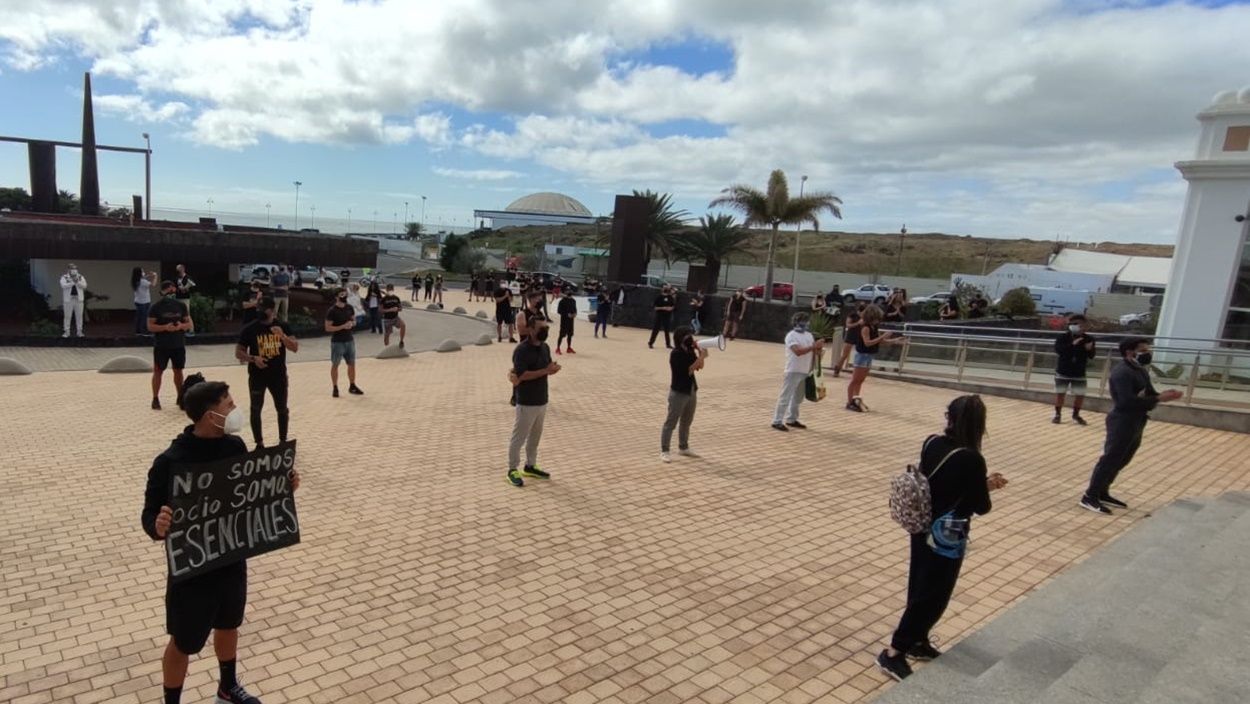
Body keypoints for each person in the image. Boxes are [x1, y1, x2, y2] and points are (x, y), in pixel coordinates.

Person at [142, 378, 301, 704]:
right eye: (228, 405)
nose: (234, 410)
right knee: (183, 642)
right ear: (207, 415)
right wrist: (159, 525)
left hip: (231, 558)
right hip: (192, 569)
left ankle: (227, 687)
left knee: (229, 624)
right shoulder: (169, 462)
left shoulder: (235, 447)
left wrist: (282, 488)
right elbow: (148, 518)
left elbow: (250, 496)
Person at [877, 395, 1008, 681]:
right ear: (979, 425)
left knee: (920, 586)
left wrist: (977, 485)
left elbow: (936, 484)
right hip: (946, 535)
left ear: (949, 417)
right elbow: (980, 506)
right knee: (933, 594)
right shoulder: (972, 459)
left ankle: (917, 640)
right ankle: (894, 652)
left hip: (921, 524)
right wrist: (987, 487)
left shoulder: (932, 442)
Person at [1079, 338, 1183, 515]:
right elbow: (1125, 402)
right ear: (1129, 351)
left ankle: (1103, 491)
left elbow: (1149, 393)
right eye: (1143, 350)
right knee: (1110, 458)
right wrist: (1158, 399)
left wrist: (1165, 395)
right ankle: (1090, 496)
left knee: (1124, 458)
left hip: (1137, 419)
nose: (1147, 353)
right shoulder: (1122, 372)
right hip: (1122, 420)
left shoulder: (1140, 370)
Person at [235, 298, 298, 447]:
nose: (260, 311)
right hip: (257, 375)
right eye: (259, 308)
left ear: (272, 310)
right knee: (256, 408)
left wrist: (282, 336)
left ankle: (283, 440)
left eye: (264, 309)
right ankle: (259, 443)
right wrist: (252, 358)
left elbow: (295, 347)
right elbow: (238, 352)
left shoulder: (282, 326)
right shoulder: (249, 329)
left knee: (282, 408)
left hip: (278, 375)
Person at [506, 319, 559, 487]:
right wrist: (545, 370)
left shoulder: (545, 347)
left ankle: (530, 465)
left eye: (546, 327)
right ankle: (512, 469)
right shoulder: (521, 350)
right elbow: (521, 375)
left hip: (542, 399)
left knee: (535, 436)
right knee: (519, 437)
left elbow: (547, 366)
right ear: (530, 329)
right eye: (540, 328)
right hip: (527, 400)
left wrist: (553, 368)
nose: (544, 330)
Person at [661, 326, 707, 462]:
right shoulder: (676, 354)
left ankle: (683, 447)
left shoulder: (689, 351)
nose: (691, 338)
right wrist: (701, 356)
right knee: (671, 422)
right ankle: (665, 450)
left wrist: (701, 355)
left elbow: (699, 367)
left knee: (687, 420)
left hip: (691, 389)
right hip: (679, 391)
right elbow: (688, 370)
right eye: (688, 336)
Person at [846, 304, 903, 412]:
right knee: (855, 380)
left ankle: (856, 399)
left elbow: (880, 341)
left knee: (860, 380)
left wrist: (895, 341)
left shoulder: (874, 327)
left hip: (869, 355)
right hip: (862, 355)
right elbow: (867, 343)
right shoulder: (866, 327)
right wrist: (882, 336)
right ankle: (849, 401)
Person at [771, 312, 822, 431]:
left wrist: (815, 360)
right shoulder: (791, 336)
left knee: (798, 397)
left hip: (805, 370)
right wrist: (813, 347)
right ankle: (777, 420)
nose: (806, 323)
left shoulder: (809, 335)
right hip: (793, 370)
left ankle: (792, 418)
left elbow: (814, 352)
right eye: (803, 321)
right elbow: (798, 351)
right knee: (786, 396)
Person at [148, 281, 193, 410]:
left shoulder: (181, 306)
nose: (172, 292)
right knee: (158, 371)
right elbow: (150, 326)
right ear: (163, 291)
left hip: (178, 344)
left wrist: (181, 326)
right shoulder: (156, 307)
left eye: (173, 289)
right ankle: (155, 398)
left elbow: (189, 324)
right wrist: (165, 327)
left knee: (178, 371)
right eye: (169, 290)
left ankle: (180, 397)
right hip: (161, 345)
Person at [1053, 314, 1096, 425]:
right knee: (1060, 393)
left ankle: (1076, 414)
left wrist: (1089, 349)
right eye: (1074, 324)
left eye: (1079, 324)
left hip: (1079, 371)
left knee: (1080, 394)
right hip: (1063, 370)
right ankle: (1057, 414)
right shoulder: (1063, 337)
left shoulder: (1089, 339)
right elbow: (1059, 351)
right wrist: (1072, 344)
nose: (1077, 326)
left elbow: (1092, 356)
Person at [325, 289, 364, 398]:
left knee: (351, 364)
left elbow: (354, 319)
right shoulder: (332, 311)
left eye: (345, 294)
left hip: (349, 340)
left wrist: (352, 323)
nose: (344, 296)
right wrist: (342, 326)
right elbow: (327, 327)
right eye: (342, 294)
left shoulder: (349, 308)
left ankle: (352, 385)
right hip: (337, 342)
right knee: (335, 364)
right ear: (336, 297)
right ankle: (335, 387)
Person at [834, 302, 865, 377]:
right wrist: (858, 323)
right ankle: (837, 369)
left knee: (861, 354)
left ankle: (858, 372)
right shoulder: (852, 315)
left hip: (860, 336)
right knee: (845, 354)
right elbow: (848, 325)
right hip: (851, 336)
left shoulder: (865, 317)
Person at [60, 263, 88, 337]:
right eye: (72, 268)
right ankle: (66, 332)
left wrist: (77, 282)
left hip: (78, 299)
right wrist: (72, 282)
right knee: (67, 316)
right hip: (68, 299)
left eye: (75, 269)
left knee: (79, 316)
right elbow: (63, 286)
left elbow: (84, 286)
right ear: (68, 269)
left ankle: (79, 331)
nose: (74, 270)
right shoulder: (64, 277)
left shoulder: (80, 277)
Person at [132, 266, 156, 335]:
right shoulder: (143, 282)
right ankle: (145, 331)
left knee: (139, 316)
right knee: (145, 317)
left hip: (138, 301)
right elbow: (153, 284)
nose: (144, 273)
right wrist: (155, 276)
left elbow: (144, 278)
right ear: (140, 273)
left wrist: (149, 275)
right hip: (144, 302)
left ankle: (138, 331)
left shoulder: (136, 280)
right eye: (142, 271)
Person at [381, 283, 406, 348]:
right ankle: (386, 347)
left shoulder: (396, 298)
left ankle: (401, 341)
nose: (390, 290)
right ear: (386, 289)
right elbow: (380, 310)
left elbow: (400, 308)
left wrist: (397, 309)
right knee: (387, 334)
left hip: (395, 317)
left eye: (391, 289)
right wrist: (389, 310)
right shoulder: (384, 299)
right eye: (389, 289)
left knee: (403, 325)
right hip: (387, 318)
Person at [555, 287, 578, 355]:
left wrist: (575, 314)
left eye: (570, 290)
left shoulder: (573, 301)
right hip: (564, 320)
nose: (569, 292)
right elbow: (559, 311)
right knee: (561, 334)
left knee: (570, 334)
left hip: (571, 320)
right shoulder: (562, 301)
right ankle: (558, 348)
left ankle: (569, 347)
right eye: (567, 290)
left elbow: (575, 309)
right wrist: (567, 314)